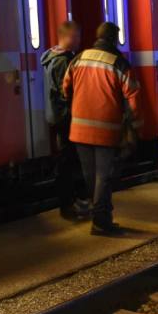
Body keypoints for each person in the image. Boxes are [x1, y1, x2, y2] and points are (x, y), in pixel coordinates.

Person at [62, 22, 142, 235]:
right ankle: (101, 222)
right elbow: (133, 98)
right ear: (114, 39)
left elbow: (65, 88)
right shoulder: (119, 63)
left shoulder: (78, 58)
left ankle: (100, 216)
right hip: (106, 131)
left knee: (90, 176)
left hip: (78, 129)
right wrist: (132, 124)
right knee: (104, 177)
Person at [41, 21, 85, 218]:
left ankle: (72, 202)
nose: (78, 41)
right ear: (69, 37)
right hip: (65, 117)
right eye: (76, 37)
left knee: (67, 161)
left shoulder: (54, 57)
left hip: (59, 116)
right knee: (66, 162)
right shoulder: (62, 61)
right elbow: (65, 91)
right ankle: (68, 206)